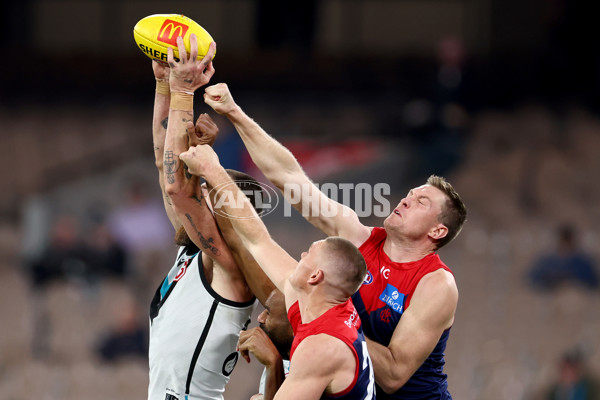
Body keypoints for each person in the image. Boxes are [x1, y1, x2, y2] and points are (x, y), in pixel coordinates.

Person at [201, 83, 467, 399]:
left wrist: (331, 324)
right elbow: (290, 178)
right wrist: (235, 113)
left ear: (437, 232)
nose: (407, 200)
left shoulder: (436, 284)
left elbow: (395, 375)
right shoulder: (358, 237)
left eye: (422, 202)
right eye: (411, 193)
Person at [179, 143, 376, 399]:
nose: (301, 255)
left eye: (308, 254)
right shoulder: (317, 303)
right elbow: (258, 240)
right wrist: (213, 170)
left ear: (316, 276)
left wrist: (273, 370)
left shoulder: (321, 347)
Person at [147, 35, 283, 400]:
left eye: (207, 189)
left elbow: (177, 187)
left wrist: (182, 90)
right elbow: (166, 164)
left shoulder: (228, 265)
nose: (199, 189)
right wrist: (164, 83)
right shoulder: (193, 246)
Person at [238, 290, 292, 400]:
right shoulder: (283, 351)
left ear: (295, 325)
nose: (260, 318)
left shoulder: (314, 371)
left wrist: (273, 364)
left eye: (268, 312)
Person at [528, 225, 599, 291]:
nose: (565, 245)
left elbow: (593, 282)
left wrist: (573, 283)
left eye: (568, 241)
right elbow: (533, 280)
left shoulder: (582, 261)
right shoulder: (548, 260)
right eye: (563, 240)